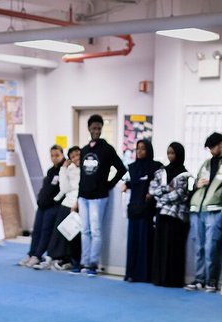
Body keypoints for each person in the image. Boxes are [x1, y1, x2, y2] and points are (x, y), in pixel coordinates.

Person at [75, 114, 126, 275]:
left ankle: (93, 263)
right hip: (83, 196)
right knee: (85, 230)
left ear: (102, 129)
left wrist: (109, 184)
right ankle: (84, 261)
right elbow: (83, 175)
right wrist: (78, 196)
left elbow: (122, 169)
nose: (96, 131)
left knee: (96, 231)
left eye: (99, 128)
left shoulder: (107, 149)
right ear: (89, 129)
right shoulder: (83, 150)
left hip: (99, 197)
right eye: (93, 128)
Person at [187, 132, 222, 291]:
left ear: (221, 144)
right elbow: (195, 184)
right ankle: (199, 279)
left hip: (216, 209)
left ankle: (211, 280)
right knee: (198, 246)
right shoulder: (206, 163)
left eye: (213, 146)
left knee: (211, 246)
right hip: (198, 208)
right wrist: (196, 185)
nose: (211, 150)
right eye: (209, 147)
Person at [150, 142, 191, 288]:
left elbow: (179, 195)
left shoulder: (185, 174)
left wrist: (163, 195)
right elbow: (153, 189)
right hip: (162, 214)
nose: (170, 156)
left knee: (174, 249)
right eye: (168, 153)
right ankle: (159, 278)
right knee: (160, 246)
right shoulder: (161, 171)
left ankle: (172, 280)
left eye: (173, 153)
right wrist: (167, 189)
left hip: (176, 217)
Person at [19, 144, 65, 268]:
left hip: (54, 206)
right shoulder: (50, 170)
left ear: (62, 155)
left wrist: (52, 201)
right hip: (42, 205)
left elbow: (63, 190)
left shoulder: (65, 169)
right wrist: (40, 200)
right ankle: (31, 253)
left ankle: (38, 256)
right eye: (52, 156)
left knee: (45, 231)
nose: (54, 158)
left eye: (57, 155)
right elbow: (46, 188)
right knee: (36, 230)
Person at [124, 139, 163, 283]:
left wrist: (152, 193)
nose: (139, 151)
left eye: (143, 149)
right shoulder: (132, 167)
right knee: (133, 241)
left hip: (148, 210)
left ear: (149, 151)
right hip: (134, 208)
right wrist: (126, 184)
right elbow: (134, 182)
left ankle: (144, 275)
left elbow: (160, 184)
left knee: (145, 241)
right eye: (137, 149)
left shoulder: (156, 167)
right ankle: (132, 273)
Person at [46, 146, 82, 270]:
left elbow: (83, 189)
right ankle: (58, 256)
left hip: (79, 203)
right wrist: (63, 169)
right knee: (60, 229)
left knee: (74, 234)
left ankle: (73, 259)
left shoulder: (87, 169)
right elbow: (65, 189)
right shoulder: (69, 169)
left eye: (78, 155)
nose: (76, 158)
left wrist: (76, 203)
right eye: (73, 157)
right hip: (67, 201)